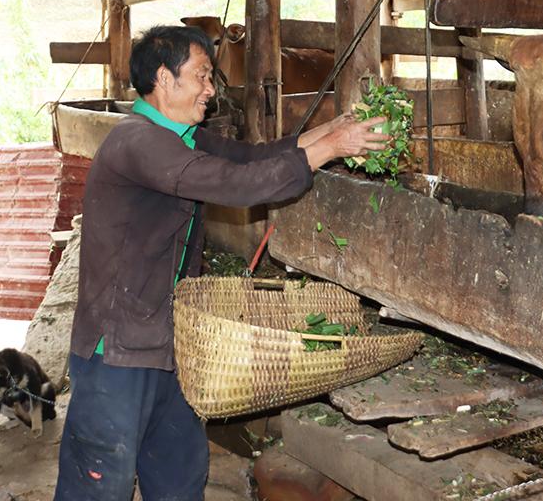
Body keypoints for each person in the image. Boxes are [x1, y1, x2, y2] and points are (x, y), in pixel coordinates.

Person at [55, 25, 389, 500]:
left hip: (172, 342)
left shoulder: (185, 137)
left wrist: (333, 130)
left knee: (181, 474)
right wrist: (333, 149)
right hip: (119, 351)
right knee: (99, 484)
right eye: (202, 77)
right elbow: (238, 186)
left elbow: (253, 159)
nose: (211, 90)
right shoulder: (138, 142)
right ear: (164, 80)